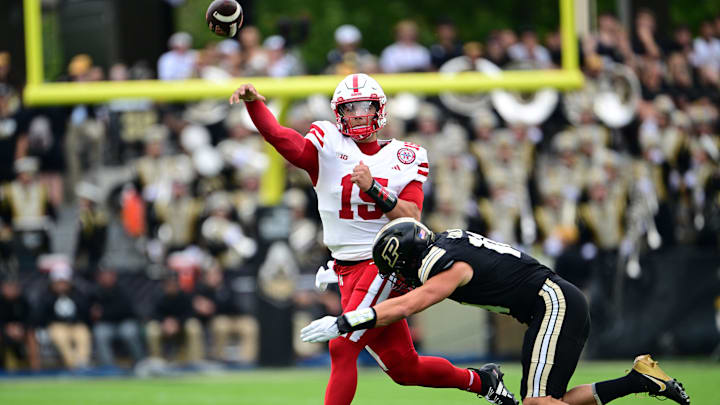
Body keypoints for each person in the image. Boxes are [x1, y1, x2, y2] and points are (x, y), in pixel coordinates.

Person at [229, 74, 516, 405]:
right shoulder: (327, 145)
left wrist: (372, 187)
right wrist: (255, 103)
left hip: (384, 264)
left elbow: (412, 217)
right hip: (347, 270)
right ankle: (483, 381)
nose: (358, 115)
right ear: (339, 113)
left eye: (364, 107)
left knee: (342, 344)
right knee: (404, 368)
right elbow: (279, 137)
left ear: (379, 110)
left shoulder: (405, 156)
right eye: (350, 108)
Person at [301, 218, 691, 405]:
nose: (399, 275)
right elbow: (407, 287)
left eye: (397, 266)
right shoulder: (445, 241)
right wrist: (338, 276)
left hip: (553, 303)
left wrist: (345, 320)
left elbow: (407, 303)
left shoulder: (446, 266)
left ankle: (639, 381)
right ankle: (639, 380)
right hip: (551, 305)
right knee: (540, 403)